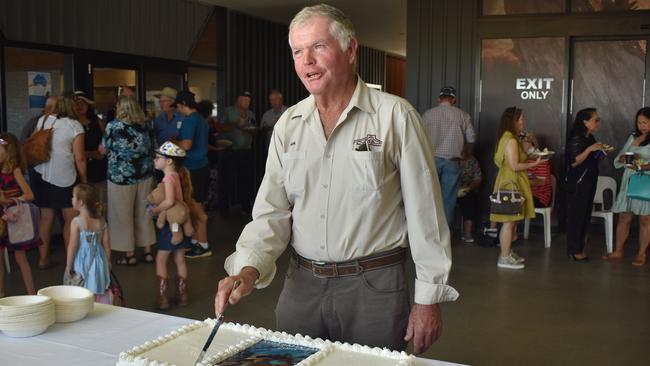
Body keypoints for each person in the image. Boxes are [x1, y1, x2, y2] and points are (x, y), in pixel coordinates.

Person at [214, 4, 457, 354]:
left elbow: (426, 217)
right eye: (298, 51)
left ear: (350, 49)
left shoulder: (395, 117)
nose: (306, 60)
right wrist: (249, 267)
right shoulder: (289, 125)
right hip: (302, 286)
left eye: (318, 46)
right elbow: (272, 212)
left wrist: (428, 298)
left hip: (374, 287)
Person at [32, 93, 87, 270]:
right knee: (70, 218)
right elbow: (79, 158)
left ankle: (42, 259)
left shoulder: (43, 120)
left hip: (41, 174)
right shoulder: (75, 126)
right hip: (64, 177)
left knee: (46, 217)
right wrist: (84, 180)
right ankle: (71, 263)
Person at [100, 95, 156, 265]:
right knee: (144, 212)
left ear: (121, 108)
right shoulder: (146, 125)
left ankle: (129, 255)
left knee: (122, 214)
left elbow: (102, 150)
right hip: (145, 175)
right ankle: (147, 252)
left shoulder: (113, 126)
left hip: (121, 177)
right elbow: (153, 147)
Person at [490, 107, 542, 270]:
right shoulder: (511, 140)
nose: (523, 122)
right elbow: (514, 165)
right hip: (511, 182)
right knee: (509, 221)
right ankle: (504, 257)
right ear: (513, 121)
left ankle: (507, 253)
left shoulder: (507, 138)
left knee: (512, 221)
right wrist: (534, 164)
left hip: (509, 181)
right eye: (521, 119)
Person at [422, 86, 476, 226]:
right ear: (454, 100)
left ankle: (429, 233)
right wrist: (465, 156)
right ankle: (445, 236)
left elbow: (419, 138)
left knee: (428, 198)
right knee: (448, 200)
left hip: (431, 160)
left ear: (439, 99)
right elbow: (471, 139)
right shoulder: (463, 115)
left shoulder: (427, 114)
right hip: (452, 162)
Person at [603, 107, 650, 266]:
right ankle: (618, 250)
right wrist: (626, 158)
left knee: (645, 219)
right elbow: (620, 156)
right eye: (639, 122)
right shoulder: (633, 137)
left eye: (645, 122)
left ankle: (641, 253)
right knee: (624, 216)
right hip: (629, 180)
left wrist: (641, 167)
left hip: (646, 180)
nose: (642, 126)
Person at [150, 141, 193, 309]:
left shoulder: (167, 178)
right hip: (180, 223)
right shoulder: (176, 175)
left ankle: (163, 298)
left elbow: (169, 201)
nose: (155, 160)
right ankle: (182, 295)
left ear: (169, 161)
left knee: (161, 258)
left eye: (157, 157)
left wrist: (156, 210)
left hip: (170, 223)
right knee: (180, 258)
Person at [171, 91, 210, 259]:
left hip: (193, 167)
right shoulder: (201, 119)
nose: (177, 110)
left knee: (196, 207)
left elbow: (186, 145)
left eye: (178, 106)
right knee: (195, 206)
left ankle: (203, 244)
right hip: (202, 166)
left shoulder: (188, 121)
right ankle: (196, 242)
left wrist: (172, 142)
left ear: (183, 105)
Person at [0, 133, 37, 297]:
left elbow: (29, 195)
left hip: (14, 219)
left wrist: (13, 200)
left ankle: (32, 294)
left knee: (20, 259)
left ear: (9, 151)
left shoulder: (14, 171)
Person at [565, 108, 603, 262]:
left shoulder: (590, 137)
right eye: (596, 120)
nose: (598, 123)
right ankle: (574, 250)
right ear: (585, 122)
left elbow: (592, 158)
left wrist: (600, 152)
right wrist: (589, 150)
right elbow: (574, 162)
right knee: (577, 217)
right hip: (578, 183)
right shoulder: (576, 138)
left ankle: (579, 248)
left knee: (585, 215)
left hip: (589, 181)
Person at [65, 184, 112, 304]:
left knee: (83, 289)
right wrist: (108, 261)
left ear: (81, 202)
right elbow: (106, 243)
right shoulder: (101, 220)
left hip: (82, 261)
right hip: (100, 260)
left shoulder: (76, 222)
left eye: (73, 196)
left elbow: (73, 245)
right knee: (97, 287)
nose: (71, 199)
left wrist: (68, 265)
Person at [218, 91, 256, 216]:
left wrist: (252, 130)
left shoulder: (250, 113)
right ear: (238, 101)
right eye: (244, 100)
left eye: (249, 101)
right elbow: (221, 127)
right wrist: (236, 125)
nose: (247, 102)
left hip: (246, 151)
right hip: (231, 151)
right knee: (227, 180)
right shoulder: (229, 111)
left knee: (245, 180)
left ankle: (245, 206)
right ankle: (224, 209)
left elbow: (254, 129)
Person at [74, 91, 108, 204]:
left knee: (100, 203)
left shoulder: (97, 121)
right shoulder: (71, 124)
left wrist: (102, 152)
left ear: (88, 105)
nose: (80, 106)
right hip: (79, 169)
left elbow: (106, 139)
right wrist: (89, 154)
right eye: (77, 103)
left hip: (99, 169)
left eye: (83, 103)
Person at [457, 147, 482, 243]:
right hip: (449, 189)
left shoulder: (472, 160)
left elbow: (478, 178)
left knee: (470, 200)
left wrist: (468, 188)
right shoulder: (449, 160)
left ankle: (467, 233)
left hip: (466, 189)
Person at [522, 133, 552, 208]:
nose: (523, 144)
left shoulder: (541, 160)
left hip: (540, 197)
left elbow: (541, 182)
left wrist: (521, 182)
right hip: (527, 193)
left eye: (527, 142)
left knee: (514, 204)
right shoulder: (523, 159)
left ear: (533, 145)